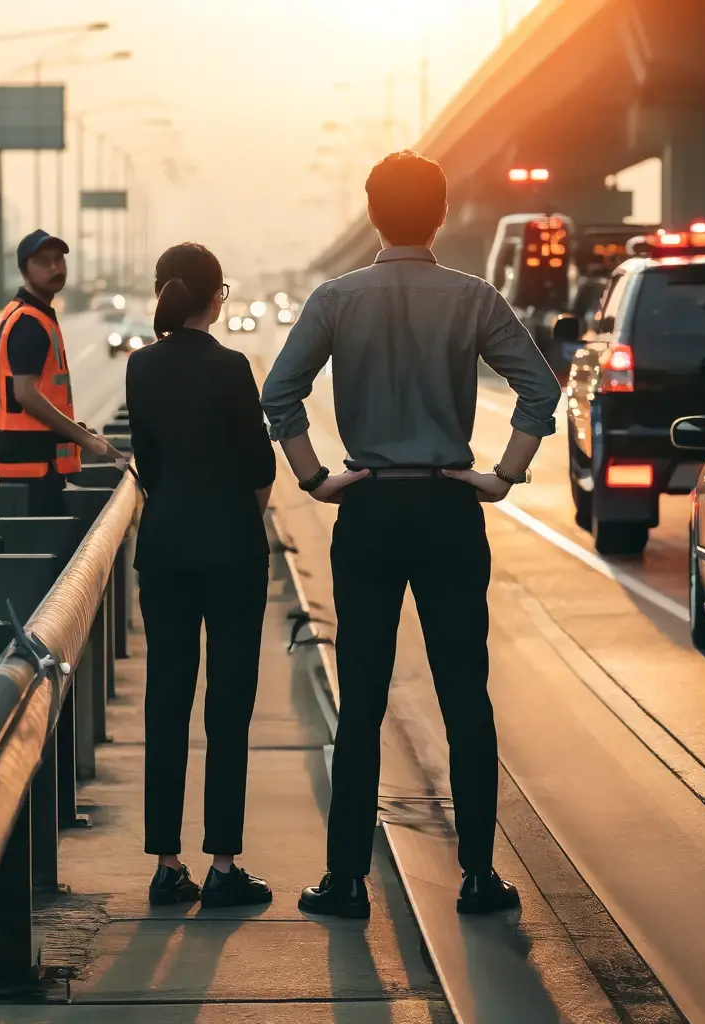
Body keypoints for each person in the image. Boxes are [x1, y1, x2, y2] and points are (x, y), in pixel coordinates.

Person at [261, 150, 562, 919]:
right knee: (466, 694)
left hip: (367, 510)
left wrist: (314, 479)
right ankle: (477, 878)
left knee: (359, 697)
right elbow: (539, 388)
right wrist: (504, 475)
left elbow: (280, 394)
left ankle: (345, 882)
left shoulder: (336, 298)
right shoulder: (473, 298)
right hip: (448, 510)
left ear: (371, 212)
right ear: (439, 214)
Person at [125, 242, 277, 908]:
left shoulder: (140, 367)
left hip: (164, 551)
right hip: (232, 551)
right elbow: (261, 468)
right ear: (217, 298)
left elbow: (148, 467)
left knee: (167, 701)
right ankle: (222, 866)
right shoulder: (233, 366)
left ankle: (165, 863)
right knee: (228, 707)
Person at [0, 229, 125, 516]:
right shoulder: (30, 322)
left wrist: (77, 433)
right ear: (25, 269)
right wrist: (84, 439)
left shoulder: (31, 313)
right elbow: (25, 393)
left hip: (34, 466)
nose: (55, 267)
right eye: (43, 261)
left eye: (59, 259)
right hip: (32, 472)